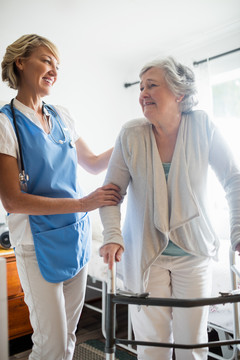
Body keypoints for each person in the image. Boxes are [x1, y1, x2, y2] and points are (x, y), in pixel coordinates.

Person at [99, 56, 240, 360]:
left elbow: (233, 179)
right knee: (153, 347)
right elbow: (111, 194)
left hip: (194, 255)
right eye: (140, 87)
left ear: (179, 93)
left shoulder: (202, 125)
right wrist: (112, 234)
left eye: (152, 85)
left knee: (194, 345)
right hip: (147, 258)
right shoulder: (130, 134)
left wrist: (238, 230)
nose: (143, 93)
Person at [0, 34, 121, 360]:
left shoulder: (63, 116)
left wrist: (130, 137)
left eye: (57, 65)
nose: (54, 70)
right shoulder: (4, 124)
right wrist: (84, 203)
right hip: (35, 245)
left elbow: (94, 163)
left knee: (68, 338)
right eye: (46, 60)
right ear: (21, 62)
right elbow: (12, 201)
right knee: (50, 344)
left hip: (75, 234)